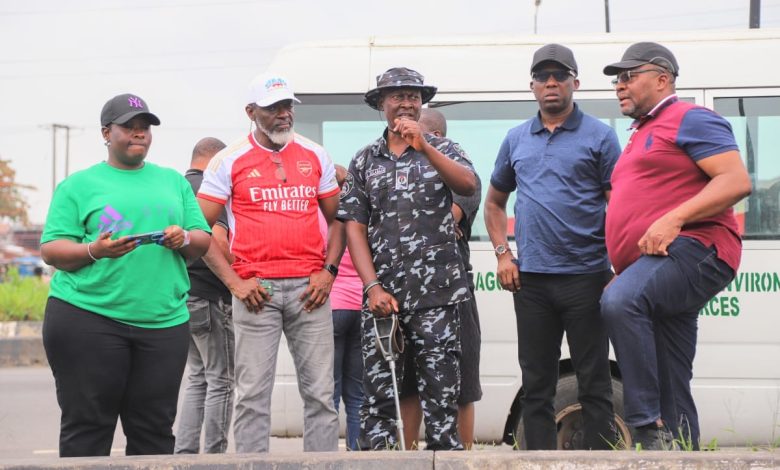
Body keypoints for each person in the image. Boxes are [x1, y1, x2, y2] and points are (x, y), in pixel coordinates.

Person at [40, 93, 211, 457]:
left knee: (154, 430)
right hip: (88, 318)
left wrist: (182, 239)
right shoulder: (78, 186)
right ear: (106, 132)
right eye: (129, 127)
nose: (139, 134)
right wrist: (93, 250)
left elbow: (202, 241)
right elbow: (52, 250)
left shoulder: (173, 182)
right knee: (88, 427)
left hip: (163, 322)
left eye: (144, 128)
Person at [600, 42, 751, 450]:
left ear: (663, 79)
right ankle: (680, 452)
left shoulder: (691, 118)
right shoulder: (640, 134)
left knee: (620, 303)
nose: (620, 86)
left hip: (697, 247)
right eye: (617, 79)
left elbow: (736, 181)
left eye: (629, 76)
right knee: (671, 375)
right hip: (657, 260)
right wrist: (626, 267)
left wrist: (674, 218)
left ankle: (645, 427)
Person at [484, 44, 621, 450]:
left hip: (588, 278)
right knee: (537, 384)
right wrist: (503, 254)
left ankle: (601, 461)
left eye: (559, 76)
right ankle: (538, 461)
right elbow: (494, 202)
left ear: (575, 83)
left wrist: (620, 266)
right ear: (532, 86)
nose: (550, 83)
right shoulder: (515, 139)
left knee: (594, 380)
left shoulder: (601, 136)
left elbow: (620, 206)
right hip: (532, 283)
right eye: (542, 77)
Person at [197, 73, 342, 453]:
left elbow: (339, 220)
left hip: (310, 290)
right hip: (255, 291)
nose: (283, 115)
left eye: (287, 106)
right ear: (251, 112)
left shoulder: (315, 154)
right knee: (252, 397)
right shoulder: (227, 161)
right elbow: (198, 230)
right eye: (273, 108)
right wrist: (234, 283)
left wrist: (328, 272)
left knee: (321, 396)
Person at [338, 67, 478, 451]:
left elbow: (469, 186)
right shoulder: (365, 160)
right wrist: (371, 287)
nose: (406, 102)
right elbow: (354, 225)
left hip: (438, 296)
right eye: (397, 95)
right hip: (385, 302)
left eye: (413, 96)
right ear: (381, 103)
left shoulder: (444, 149)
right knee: (380, 402)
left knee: (442, 399)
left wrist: (425, 147)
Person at [399, 108, 483, 450]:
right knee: (407, 384)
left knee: (461, 384)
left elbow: (439, 221)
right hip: (406, 289)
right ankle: (407, 459)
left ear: (437, 138)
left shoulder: (459, 170)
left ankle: (460, 461)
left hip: (452, 291)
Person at [174, 137, 235, 454]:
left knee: (198, 378)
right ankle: (215, 457)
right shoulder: (211, 188)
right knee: (222, 380)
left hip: (184, 296)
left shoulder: (179, 188)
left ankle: (185, 455)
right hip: (212, 297)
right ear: (217, 159)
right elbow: (219, 243)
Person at [325, 165, 365, 451]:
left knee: (330, 390)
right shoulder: (362, 218)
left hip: (334, 307)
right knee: (357, 394)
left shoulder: (326, 219)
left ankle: (327, 455)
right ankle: (357, 454)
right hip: (362, 307)